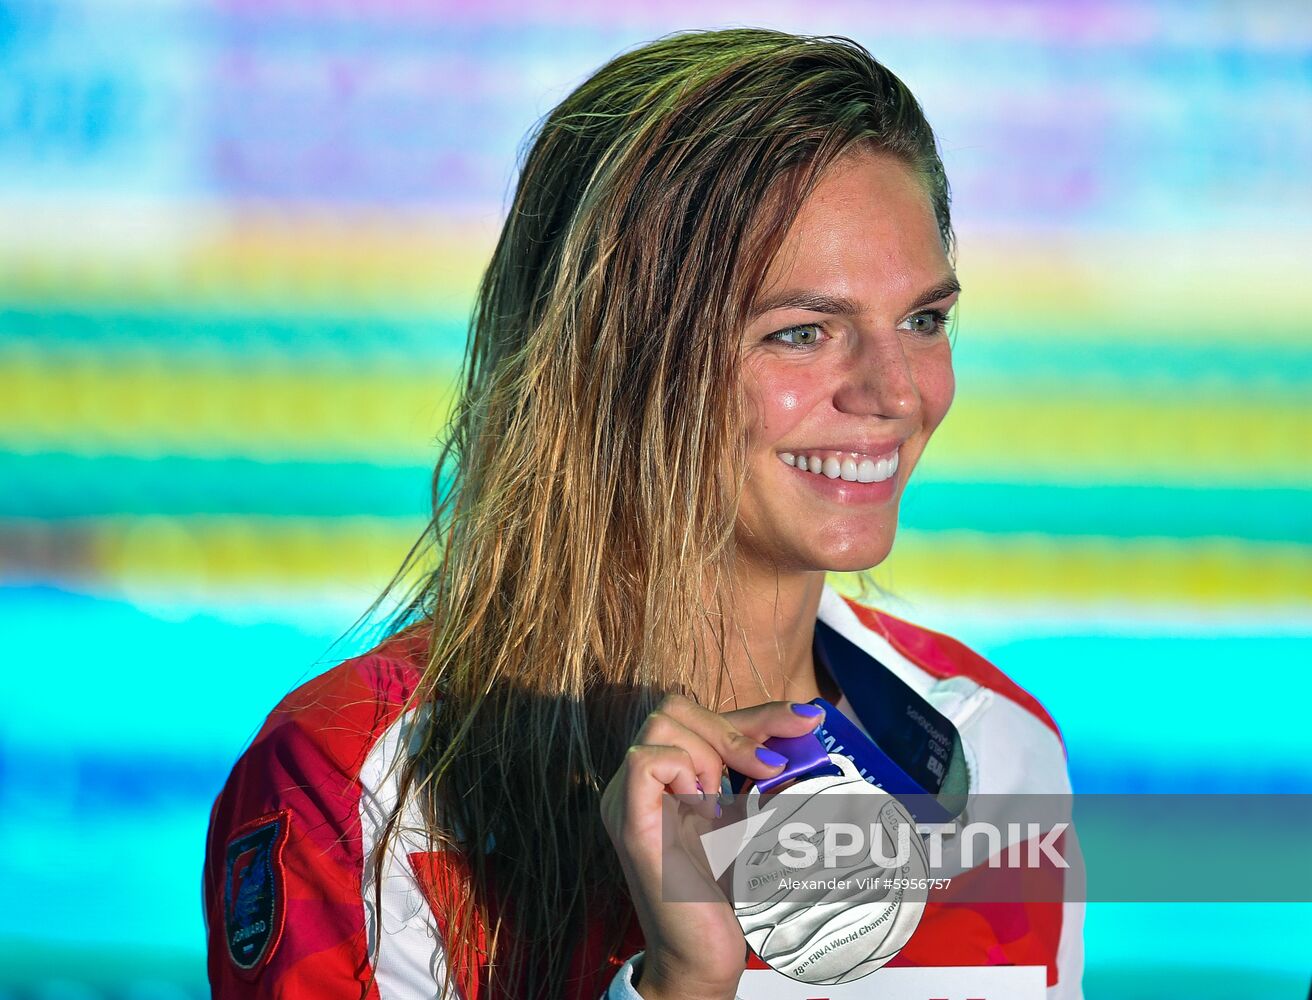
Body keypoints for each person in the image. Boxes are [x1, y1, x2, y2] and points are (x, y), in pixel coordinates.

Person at [203, 27, 1083, 1000]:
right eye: (800, 332)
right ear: (615, 363)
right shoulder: (361, 786)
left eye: (922, 319)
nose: (895, 391)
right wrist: (676, 986)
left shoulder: (990, 749)